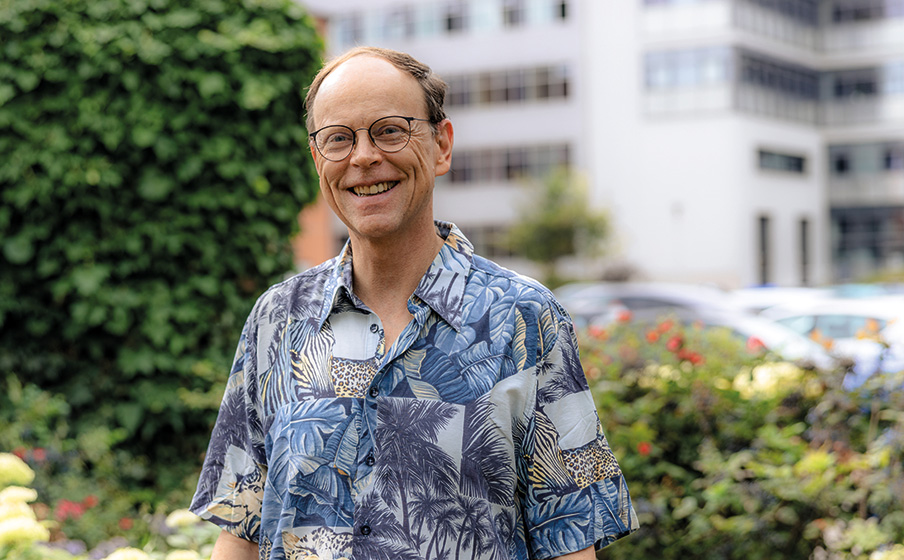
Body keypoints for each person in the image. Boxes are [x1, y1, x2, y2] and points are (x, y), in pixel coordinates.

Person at [190, 46, 638, 560]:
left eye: (389, 130)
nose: (362, 157)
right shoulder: (277, 320)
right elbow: (241, 531)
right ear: (318, 160)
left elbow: (570, 540)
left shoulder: (524, 319)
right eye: (339, 139)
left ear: (441, 146)